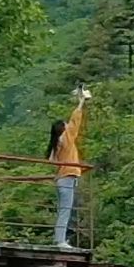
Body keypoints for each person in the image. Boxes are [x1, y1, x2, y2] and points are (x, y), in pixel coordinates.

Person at [47, 85, 90, 248]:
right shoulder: (66, 139)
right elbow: (75, 121)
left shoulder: (56, 144)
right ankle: (60, 241)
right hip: (68, 178)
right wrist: (81, 102)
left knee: (63, 210)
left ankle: (60, 238)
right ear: (62, 129)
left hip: (60, 178)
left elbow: (52, 161)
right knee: (66, 210)